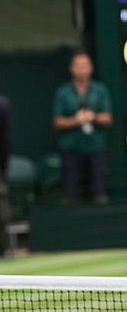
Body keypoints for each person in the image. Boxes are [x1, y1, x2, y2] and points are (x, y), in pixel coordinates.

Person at [52, 50, 113, 205]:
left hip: (96, 147)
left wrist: (93, 117)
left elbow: (108, 118)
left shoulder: (100, 90)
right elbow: (57, 122)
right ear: (71, 68)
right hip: (71, 148)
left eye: (85, 65)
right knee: (70, 195)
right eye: (78, 66)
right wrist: (76, 120)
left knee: (100, 194)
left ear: (91, 68)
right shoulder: (63, 92)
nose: (82, 69)